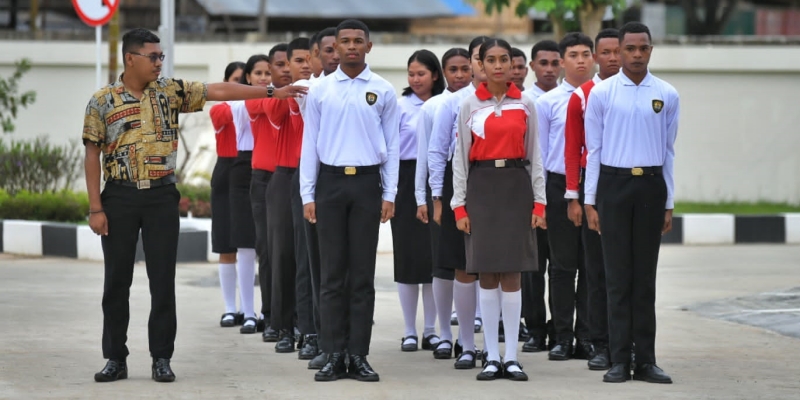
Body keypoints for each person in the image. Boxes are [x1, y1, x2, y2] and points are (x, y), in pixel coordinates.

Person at [84, 28, 306, 383]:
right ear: (130, 58)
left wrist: (270, 91)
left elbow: (219, 90)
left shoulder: (170, 92)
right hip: (120, 197)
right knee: (116, 282)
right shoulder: (102, 101)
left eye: (161, 57)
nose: (159, 62)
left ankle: (161, 358)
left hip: (160, 196)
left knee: (162, 281)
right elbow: (92, 153)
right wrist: (96, 207)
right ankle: (115, 357)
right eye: (152, 56)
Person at [300, 19, 399, 382]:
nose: (353, 46)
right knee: (331, 275)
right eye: (346, 41)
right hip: (330, 184)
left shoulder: (383, 90)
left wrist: (389, 194)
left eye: (359, 41)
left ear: (369, 47)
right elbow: (309, 144)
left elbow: (393, 147)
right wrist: (307, 194)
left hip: (367, 185)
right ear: (335, 48)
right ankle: (333, 352)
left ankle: (358, 354)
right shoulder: (321, 91)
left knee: (361, 275)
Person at [584, 21, 679, 384]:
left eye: (643, 48)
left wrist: (668, 201)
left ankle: (646, 360)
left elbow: (669, 151)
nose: (637, 55)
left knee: (644, 278)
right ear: (619, 51)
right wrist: (590, 201)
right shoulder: (603, 94)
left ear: (651, 50)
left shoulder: (667, 93)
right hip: (614, 186)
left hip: (651, 187)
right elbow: (593, 151)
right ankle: (619, 358)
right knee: (617, 277)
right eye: (630, 49)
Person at [451, 38, 547, 381]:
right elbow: (460, 159)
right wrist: (459, 206)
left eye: (503, 59)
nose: (497, 65)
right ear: (481, 64)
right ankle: (490, 354)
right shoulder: (468, 105)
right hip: (481, 188)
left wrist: (540, 201)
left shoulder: (527, 104)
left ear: (511, 64)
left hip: (516, 188)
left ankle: (511, 357)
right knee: (487, 273)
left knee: (513, 273)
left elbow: (536, 155)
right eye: (489, 59)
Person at [428, 35, 489, 367]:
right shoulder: (453, 102)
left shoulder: (515, 100)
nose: (485, 65)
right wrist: (438, 198)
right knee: (462, 265)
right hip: (459, 183)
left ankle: (494, 346)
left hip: (498, 187)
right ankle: (466, 343)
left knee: (494, 266)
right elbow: (437, 152)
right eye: (479, 59)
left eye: (493, 58)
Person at [246, 41, 310, 353]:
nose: (288, 69)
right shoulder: (269, 99)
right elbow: (274, 107)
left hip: (315, 176)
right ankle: (280, 322)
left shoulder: (318, 90)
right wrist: (284, 90)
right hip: (282, 177)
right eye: (283, 64)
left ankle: (305, 322)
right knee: (278, 254)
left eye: (295, 62)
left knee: (306, 256)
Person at [535, 32, 595, 362]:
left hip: (593, 185)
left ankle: (586, 335)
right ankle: (561, 335)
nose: (581, 60)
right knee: (561, 266)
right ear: (562, 61)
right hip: (558, 185)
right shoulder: (547, 103)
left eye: (586, 53)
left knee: (590, 264)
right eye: (573, 54)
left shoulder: (600, 96)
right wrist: (540, 200)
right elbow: (541, 154)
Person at [563, 28, 620, 371]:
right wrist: (574, 197)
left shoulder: (642, 93)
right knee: (595, 271)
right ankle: (600, 343)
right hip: (592, 187)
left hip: (628, 185)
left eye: (620, 51)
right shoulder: (583, 96)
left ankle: (624, 341)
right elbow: (572, 150)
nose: (615, 58)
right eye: (608, 52)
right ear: (596, 56)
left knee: (624, 272)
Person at [414, 47, 471, 360]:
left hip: (476, 183)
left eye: (465, 68)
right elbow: (429, 155)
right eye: (453, 69)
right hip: (445, 186)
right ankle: (444, 335)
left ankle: (466, 334)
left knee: (471, 264)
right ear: (443, 73)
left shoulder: (481, 102)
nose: (460, 75)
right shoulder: (436, 106)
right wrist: (428, 198)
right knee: (443, 263)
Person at [293, 25, 341, 370]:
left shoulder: (373, 89)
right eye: (328, 50)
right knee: (319, 268)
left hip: (357, 184)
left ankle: (350, 343)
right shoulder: (311, 90)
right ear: (315, 57)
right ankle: (321, 338)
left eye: (343, 47)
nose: (337, 54)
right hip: (321, 182)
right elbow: (309, 146)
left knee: (351, 271)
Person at [394, 49, 445, 352]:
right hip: (405, 176)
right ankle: (409, 329)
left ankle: (431, 329)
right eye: (411, 74)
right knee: (407, 257)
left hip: (436, 179)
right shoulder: (400, 106)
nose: (415, 79)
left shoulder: (444, 104)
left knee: (434, 258)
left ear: (435, 75)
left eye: (421, 74)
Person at [519, 39, 561, 353]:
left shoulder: (574, 99)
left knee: (562, 267)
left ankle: (562, 330)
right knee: (533, 268)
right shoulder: (520, 102)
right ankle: (534, 329)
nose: (549, 69)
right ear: (532, 66)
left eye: (554, 63)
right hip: (529, 195)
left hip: (561, 194)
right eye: (542, 63)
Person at [233, 54, 271, 336]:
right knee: (249, 244)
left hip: (274, 170)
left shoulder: (282, 96)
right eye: (257, 73)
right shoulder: (245, 102)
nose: (264, 78)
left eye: (268, 72)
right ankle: (248, 311)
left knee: (270, 248)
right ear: (247, 78)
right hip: (245, 168)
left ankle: (268, 310)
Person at [208, 61, 246, 328]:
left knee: (251, 246)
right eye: (235, 80)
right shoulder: (220, 108)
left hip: (252, 170)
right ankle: (230, 308)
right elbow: (226, 116)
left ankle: (251, 309)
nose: (240, 85)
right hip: (227, 169)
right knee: (226, 244)